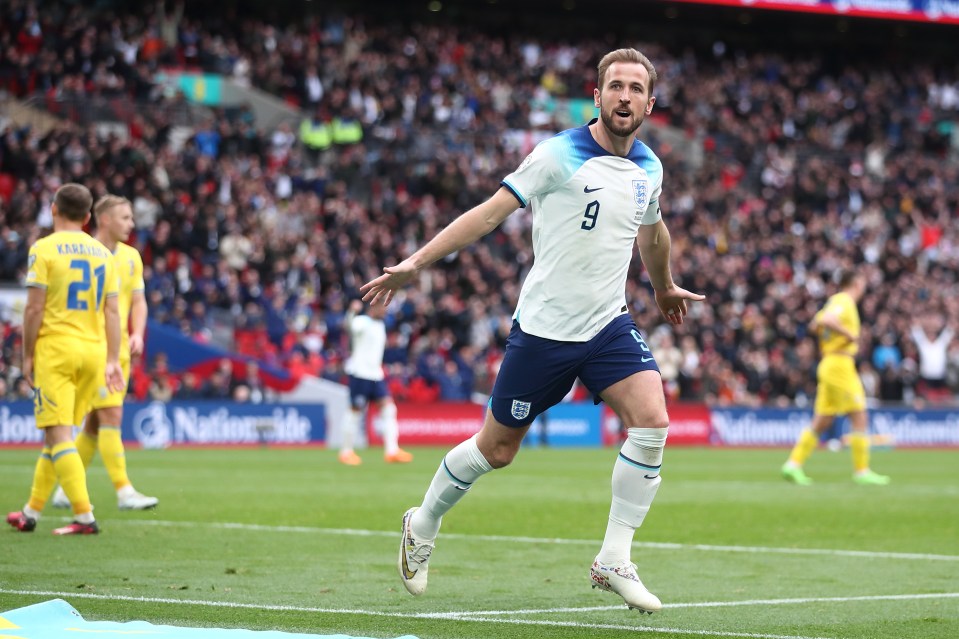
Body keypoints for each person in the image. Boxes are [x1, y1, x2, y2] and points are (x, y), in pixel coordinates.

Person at [361, 48, 704, 612]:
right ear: (596, 96)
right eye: (614, 86)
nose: (624, 96)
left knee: (653, 421)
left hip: (607, 326)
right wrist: (417, 264)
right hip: (544, 331)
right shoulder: (557, 154)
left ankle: (614, 558)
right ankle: (421, 522)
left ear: (650, 102)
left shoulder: (650, 167)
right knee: (496, 451)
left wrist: (664, 287)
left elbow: (654, 232)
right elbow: (490, 212)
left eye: (635, 88)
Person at [6, 183, 124, 535]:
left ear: (54, 209)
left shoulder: (43, 249)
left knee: (59, 437)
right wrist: (113, 360)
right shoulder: (104, 253)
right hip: (93, 351)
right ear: (88, 217)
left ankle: (85, 516)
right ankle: (31, 512)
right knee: (56, 437)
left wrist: (27, 355)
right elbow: (114, 311)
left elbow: (34, 308)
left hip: (57, 350)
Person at [50, 195, 159, 511]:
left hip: (120, 350)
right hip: (93, 348)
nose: (131, 224)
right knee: (112, 415)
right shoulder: (82, 252)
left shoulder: (131, 257)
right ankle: (125, 491)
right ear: (106, 220)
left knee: (95, 425)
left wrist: (137, 333)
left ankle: (64, 488)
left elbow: (138, 301)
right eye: (125, 218)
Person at [781, 269, 890, 486]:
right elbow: (828, 319)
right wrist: (849, 334)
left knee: (823, 420)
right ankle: (861, 471)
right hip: (840, 365)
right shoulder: (845, 300)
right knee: (859, 416)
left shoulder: (834, 301)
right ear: (856, 282)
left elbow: (816, 322)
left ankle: (793, 465)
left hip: (829, 363)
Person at [339, 299, 412, 465]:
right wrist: (352, 311)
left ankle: (392, 451)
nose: (385, 311)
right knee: (355, 412)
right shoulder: (361, 321)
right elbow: (350, 327)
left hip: (376, 375)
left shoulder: (380, 325)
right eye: (382, 307)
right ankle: (346, 452)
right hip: (360, 373)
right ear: (373, 307)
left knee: (389, 409)